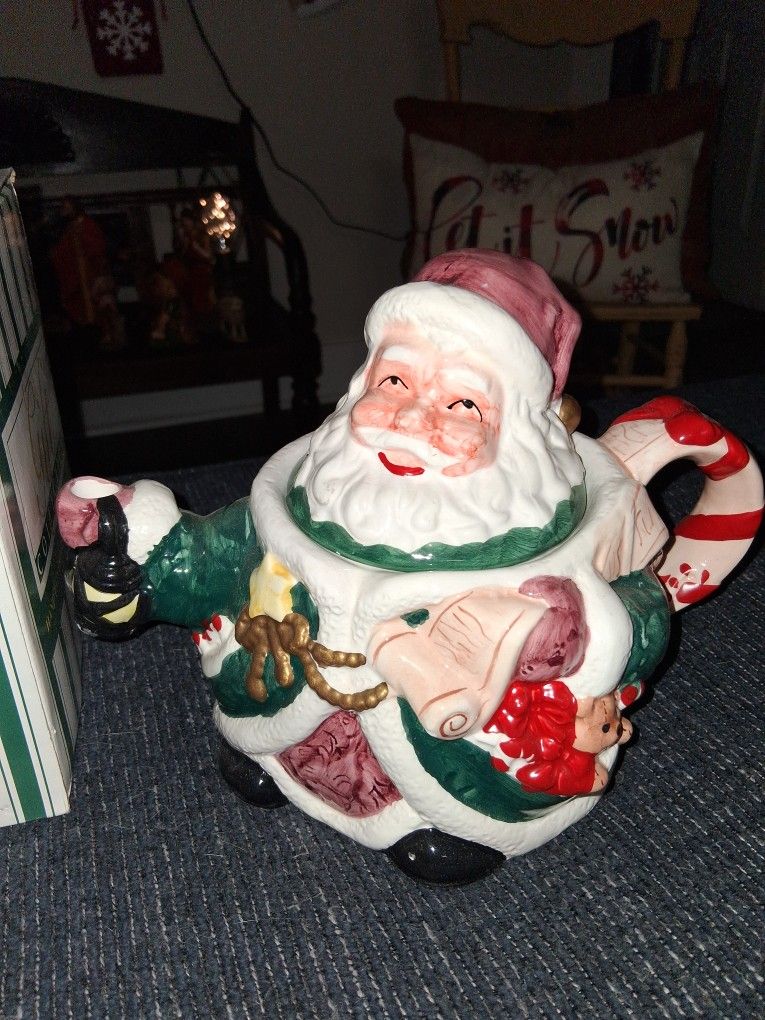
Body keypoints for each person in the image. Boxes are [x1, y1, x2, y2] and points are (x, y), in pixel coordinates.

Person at [56, 250, 671, 883]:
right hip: (282, 716)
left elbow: (645, 612)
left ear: (518, 432)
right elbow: (207, 558)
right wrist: (130, 561)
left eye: (463, 405)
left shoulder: (571, 546)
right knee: (260, 741)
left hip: (454, 771)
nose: (410, 420)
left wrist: (585, 630)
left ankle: (448, 824)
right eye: (396, 383)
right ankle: (275, 762)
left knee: (460, 810)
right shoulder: (301, 501)